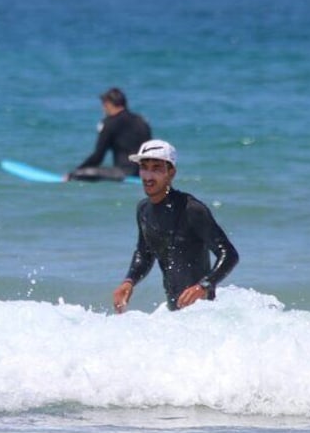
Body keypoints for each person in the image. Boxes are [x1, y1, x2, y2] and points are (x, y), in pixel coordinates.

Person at [112, 139, 239, 312]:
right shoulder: (143, 209)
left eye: (156, 168)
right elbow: (145, 253)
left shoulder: (191, 209)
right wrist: (129, 281)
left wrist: (203, 286)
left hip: (204, 314)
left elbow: (229, 254)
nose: (148, 176)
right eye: (144, 167)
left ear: (171, 172)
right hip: (176, 317)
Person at [67, 87, 152, 181]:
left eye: (103, 105)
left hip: (124, 173)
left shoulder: (109, 123)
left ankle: (68, 178)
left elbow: (98, 157)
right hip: (143, 173)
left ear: (108, 104)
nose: (103, 109)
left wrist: (76, 171)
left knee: (80, 173)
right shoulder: (141, 120)